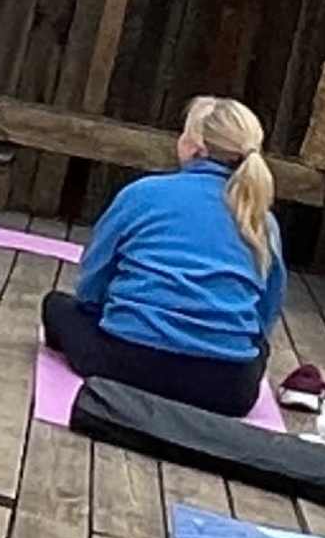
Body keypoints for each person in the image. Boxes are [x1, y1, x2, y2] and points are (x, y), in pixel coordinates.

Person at [42, 96, 287, 415]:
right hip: (227, 388)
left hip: (125, 362)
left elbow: (94, 277)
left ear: (196, 148)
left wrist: (104, 313)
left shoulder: (143, 193)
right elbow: (266, 312)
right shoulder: (262, 221)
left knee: (56, 306)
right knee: (257, 350)